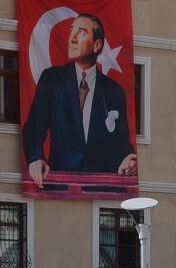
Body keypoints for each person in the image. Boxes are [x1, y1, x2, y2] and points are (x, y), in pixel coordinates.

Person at [21, 13, 137, 188]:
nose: (72, 39)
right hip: (60, 188)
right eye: (71, 31)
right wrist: (35, 158)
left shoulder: (113, 91)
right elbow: (34, 129)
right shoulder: (52, 80)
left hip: (100, 190)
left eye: (81, 33)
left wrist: (129, 158)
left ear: (97, 45)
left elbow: (121, 143)